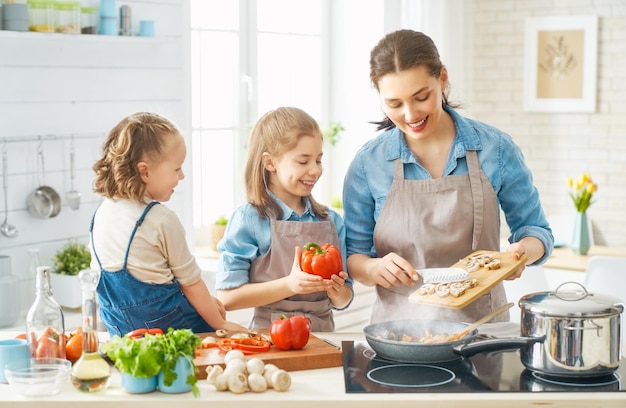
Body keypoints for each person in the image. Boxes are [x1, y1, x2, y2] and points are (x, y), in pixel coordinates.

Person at [343, 30, 554, 324]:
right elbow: (354, 256)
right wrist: (373, 269)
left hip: (482, 330)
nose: (409, 114)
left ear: (442, 79)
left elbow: (536, 230)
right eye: (394, 104)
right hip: (398, 332)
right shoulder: (368, 164)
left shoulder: (496, 149)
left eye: (421, 97)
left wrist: (523, 253)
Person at [89, 112, 246, 336]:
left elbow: (140, 276)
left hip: (122, 332)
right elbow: (191, 284)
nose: (181, 176)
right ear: (145, 172)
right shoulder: (160, 219)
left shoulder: (102, 213)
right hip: (172, 330)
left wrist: (206, 304)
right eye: (176, 168)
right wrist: (220, 324)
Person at [216, 106, 354, 331]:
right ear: (270, 162)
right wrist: (290, 285)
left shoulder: (331, 221)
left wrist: (338, 293)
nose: (315, 170)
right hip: (270, 336)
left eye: (318, 160)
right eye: (303, 161)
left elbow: (344, 298)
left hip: (324, 338)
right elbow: (227, 297)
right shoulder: (249, 219)